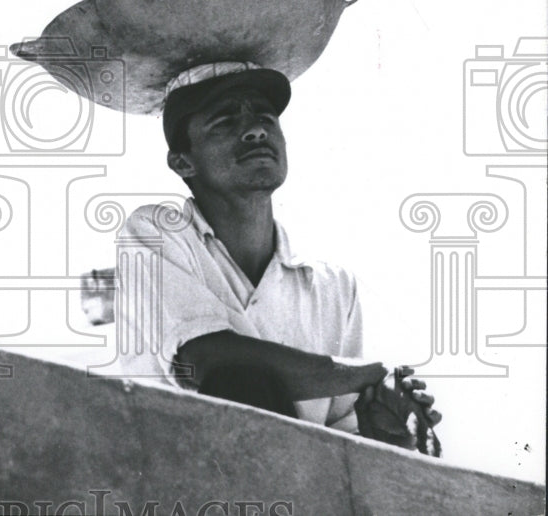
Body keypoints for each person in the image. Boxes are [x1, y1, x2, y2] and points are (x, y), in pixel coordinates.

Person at [116, 61, 441, 448]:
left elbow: (341, 435)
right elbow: (209, 361)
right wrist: (366, 374)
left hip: (297, 496)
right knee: (241, 381)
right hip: (186, 492)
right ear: (183, 161)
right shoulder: (156, 232)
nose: (255, 129)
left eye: (265, 116)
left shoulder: (333, 286)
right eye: (223, 122)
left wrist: (386, 431)